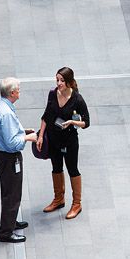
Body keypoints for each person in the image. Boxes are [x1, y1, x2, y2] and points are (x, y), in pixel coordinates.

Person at [37, 67, 90, 219]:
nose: (58, 83)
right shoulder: (53, 94)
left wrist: (72, 121)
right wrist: (41, 136)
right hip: (54, 139)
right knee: (56, 168)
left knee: (72, 169)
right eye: (57, 80)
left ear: (69, 82)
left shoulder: (77, 99)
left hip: (69, 140)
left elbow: (87, 122)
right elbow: (46, 115)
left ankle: (77, 203)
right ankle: (59, 199)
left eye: (62, 80)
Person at [0, 77, 37, 243]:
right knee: (12, 195)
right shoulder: (7, 113)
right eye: (18, 89)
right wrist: (29, 137)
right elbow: (11, 143)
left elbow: (6, 131)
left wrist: (22, 131)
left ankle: (10, 222)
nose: (19, 92)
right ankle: (5, 232)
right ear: (12, 93)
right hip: (9, 158)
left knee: (8, 191)